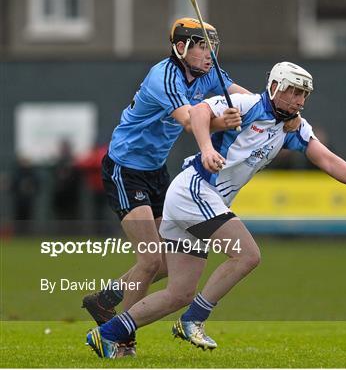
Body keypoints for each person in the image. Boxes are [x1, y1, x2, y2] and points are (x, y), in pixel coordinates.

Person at [85, 61, 346, 358]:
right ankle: (193, 321)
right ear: (274, 87)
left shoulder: (293, 127)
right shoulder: (246, 105)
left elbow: (326, 159)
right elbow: (200, 111)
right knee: (247, 254)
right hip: (194, 191)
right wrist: (206, 149)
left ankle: (107, 333)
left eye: (304, 94)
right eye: (293, 91)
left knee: (179, 294)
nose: (299, 100)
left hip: (198, 199)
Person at [81, 18, 300, 356]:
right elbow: (188, 120)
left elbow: (248, 98)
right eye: (202, 46)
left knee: (167, 263)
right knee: (152, 260)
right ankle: (120, 337)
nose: (210, 54)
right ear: (181, 48)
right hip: (125, 169)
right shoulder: (164, 77)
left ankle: (106, 299)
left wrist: (280, 114)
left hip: (156, 171)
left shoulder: (207, 72)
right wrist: (219, 122)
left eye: (212, 47)